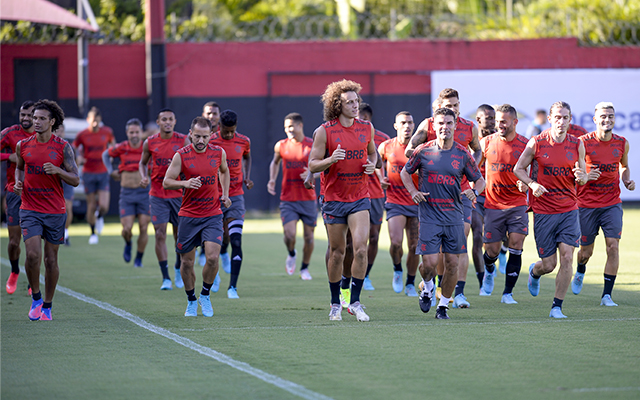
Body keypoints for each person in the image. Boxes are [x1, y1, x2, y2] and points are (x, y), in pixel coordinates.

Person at [401, 107, 485, 320]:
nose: (445, 127)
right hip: (429, 216)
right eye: (441, 123)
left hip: (454, 217)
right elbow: (405, 172)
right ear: (434, 126)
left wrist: (473, 191)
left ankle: (443, 307)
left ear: (455, 126)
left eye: (449, 123)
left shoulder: (463, 153)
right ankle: (428, 287)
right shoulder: (423, 151)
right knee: (428, 264)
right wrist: (413, 191)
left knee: (452, 264)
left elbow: (480, 180)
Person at [308, 79, 377, 322]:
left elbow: (372, 152)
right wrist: (331, 160)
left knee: (360, 249)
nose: (355, 105)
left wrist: (371, 164)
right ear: (338, 105)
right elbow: (313, 164)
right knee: (337, 252)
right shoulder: (324, 131)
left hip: (359, 197)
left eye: (356, 101)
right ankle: (335, 303)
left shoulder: (366, 128)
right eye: (349, 102)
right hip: (334, 199)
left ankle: (356, 302)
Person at [514, 101, 587, 319]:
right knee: (549, 264)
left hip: (569, 209)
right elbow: (518, 168)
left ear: (570, 119)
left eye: (565, 118)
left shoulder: (577, 144)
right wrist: (532, 184)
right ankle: (535, 272)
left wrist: (582, 177)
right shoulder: (537, 142)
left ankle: (557, 307)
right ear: (550, 119)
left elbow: (581, 174)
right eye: (557, 117)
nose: (561, 122)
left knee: (567, 257)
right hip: (544, 210)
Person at [14, 99, 79, 320]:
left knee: (51, 260)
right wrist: (18, 182)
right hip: (30, 208)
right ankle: (36, 298)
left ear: (52, 122)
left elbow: (76, 180)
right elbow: (20, 169)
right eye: (34, 118)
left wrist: (58, 171)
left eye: (42, 118)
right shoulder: (23, 145)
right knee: (33, 255)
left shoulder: (63, 147)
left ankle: (48, 306)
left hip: (55, 210)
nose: (37, 122)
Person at [163, 116, 231, 317]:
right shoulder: (181, 155)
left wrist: (225, 193)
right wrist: (185, 183)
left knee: (212, 257)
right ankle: (191, 299)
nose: (200, 141)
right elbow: (167, 181)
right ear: (190, 134)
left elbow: (225, 172)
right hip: (188, 215)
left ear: (211, 135)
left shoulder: (219, 153)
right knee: (187, 263)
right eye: (197, 137)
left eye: (204, 137)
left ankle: (205, 295)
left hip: (212, 214)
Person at [572, 102, 635, 306]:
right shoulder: (582, 142)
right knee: (585, 252)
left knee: (613, 247)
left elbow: (624, 166)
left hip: (611, 203)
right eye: (603, 116)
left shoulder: (622, 143)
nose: (607, 120)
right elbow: (574, 172)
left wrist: (626, 179)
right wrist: (587, 176)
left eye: (611, 116)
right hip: (586, 205)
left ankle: (606, 295)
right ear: (595, 119)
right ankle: (581, 269)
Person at [477, 104, 529, 303]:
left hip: (517, 204)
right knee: (492, 251)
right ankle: (489, 269)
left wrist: (527, 184)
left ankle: (508, 293)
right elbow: (474, 168)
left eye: (504, 121)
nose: (499, 125)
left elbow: (533, 171)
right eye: (498, 121)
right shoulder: (486, 142)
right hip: (493, 204)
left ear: (515, 122)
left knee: (516, 244)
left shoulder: (525, 144)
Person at [139, 109, 189, 290]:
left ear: (175, 121)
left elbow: (191, 164)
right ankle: (166, 277)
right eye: (164, 119)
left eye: (170, 119)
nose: (167, 122)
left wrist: (179, 170)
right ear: (158, 122)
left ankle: (177, 267)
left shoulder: (183, 140)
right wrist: (143, 176)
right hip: (158, 194)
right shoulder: (150, 142)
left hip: (178, 195)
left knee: (179, 236)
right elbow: (142, 163)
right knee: (160, 234)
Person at [267, 112, 316, 280]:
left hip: (308, 198)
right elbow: (275, 162)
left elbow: (323, 167)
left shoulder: (312, 145)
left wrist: (311, 174)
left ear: (300, 125)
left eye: (291, 126)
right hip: (288, 198)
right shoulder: (281, 145)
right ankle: (292, 253)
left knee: (309, 237)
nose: (288, 130)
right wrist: (272, 180)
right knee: (289, 235)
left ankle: (304, 268)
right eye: (285, 127)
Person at [210, 110, 253, 299]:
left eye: (231, 131)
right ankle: (214, 275)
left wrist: (247, 177)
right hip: (213, 197)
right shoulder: (211, 141)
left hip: (236, 196)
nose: (228, 135)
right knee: (215, 242)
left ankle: (232, 287)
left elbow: (247, 156)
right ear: (219, 126)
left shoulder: (244, 141)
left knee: (236, 239)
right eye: (225, 131)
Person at [378, 111, 420, 296]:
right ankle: (397, 270)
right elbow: (376, 161)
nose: (407, 126)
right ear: (396, 126)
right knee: (396, 243)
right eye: (403, 122)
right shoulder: (386, 146)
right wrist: (380, 178)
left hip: (417, 202)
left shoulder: (420, 148)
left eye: (410, 122)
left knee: (414, 246)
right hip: (395, 201)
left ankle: (410, 283)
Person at [103, 118, 150, 268]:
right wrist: (110, 171)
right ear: (127, 133)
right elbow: (105, 154)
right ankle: (128, 243)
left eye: (137, 132)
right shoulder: (122, 147)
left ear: (141, 132)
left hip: (144, 193)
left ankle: (139, 258)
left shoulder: (147, 147)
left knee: (143, 227)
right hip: (127, 194)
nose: (134, 135)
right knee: (126, 229)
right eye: (131, 132)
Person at [1, 100, 35, 294]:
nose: (26, 118)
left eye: (30, 115)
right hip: (15, 192)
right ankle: (14, 272)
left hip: (37, 194)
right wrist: (9, 157)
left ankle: (33, 281)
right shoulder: (11, 133)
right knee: (14, 241)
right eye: (23, 114)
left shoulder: (43, 134)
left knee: (34, 243)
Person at [357, 103, 390, 291]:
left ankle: (366, 274)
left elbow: (388, 164)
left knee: (374, 237)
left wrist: (385, 178)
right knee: (354, 239)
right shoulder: (350, 136)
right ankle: (352, 274)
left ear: (367, 119)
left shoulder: (382, 139)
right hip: (354, 192)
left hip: (376, 194)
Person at [72, 106, 115, 245]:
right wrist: (79, 157)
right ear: (88, 120)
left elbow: (113, 145)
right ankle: (92, 233)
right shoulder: (82, 134)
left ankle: (100, 216)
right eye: (92, 121)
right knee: (91, 204)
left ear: (100, 120)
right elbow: (74, 147)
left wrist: (111, 155)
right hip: (88, 173)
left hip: (102, 172)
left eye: (97, 121)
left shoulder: (107, 132)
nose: (95, 124)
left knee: (104, 206)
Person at [471, 104, 496, 288]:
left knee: (498, 238)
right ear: (478, 120)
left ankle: (498, 255)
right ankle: (482, 279)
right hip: (477, 195)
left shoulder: (500, 139)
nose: (491, 121)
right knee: (477, 235)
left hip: (498, 196)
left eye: (493, 118)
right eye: (487, 118)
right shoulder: (471, 141)